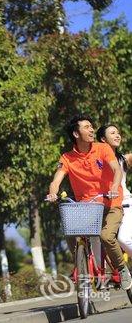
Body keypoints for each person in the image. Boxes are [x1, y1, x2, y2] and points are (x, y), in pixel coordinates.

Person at [46, 114, 132, 290]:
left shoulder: (102, 148)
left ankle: (122, 270)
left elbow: (116, 170)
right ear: (76, 134)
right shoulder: (67, 157)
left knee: (106, 237)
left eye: (92, 127)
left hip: (111, 203)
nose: (92, 129)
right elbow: (56, 180)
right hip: (88, 207)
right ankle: (81, 265)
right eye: (87, 127)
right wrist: (52, 193)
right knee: (70, 231)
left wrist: (114, 188)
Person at [97, 124, 132, 258]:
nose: (117, 135)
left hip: (125, 204)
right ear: (103, 139)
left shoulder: (122, 159)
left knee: (124, 239)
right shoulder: (96, 159)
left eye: (118, 133)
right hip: (104, 206)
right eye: (112, 133)